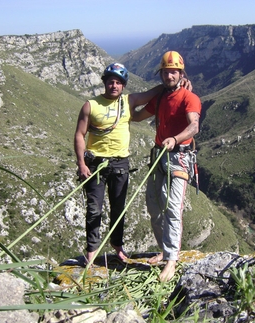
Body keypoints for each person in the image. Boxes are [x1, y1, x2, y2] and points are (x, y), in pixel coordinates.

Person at [74, 62, 191, 266]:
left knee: (119, 208)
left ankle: (117, 247)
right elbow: (79, 134)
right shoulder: (90, 105)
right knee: (94, 209)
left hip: (120, 164)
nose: (114, 86)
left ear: (123, 86)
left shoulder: (129, 101)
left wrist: (178, 82)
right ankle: (92, 251)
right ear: (104, 83)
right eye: (111, 81)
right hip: (95, 165)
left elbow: (153, 92)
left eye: (118, 83)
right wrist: (81, 163)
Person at [132, 51, 201, 282]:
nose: (169, 75)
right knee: (153, 206)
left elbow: (194, 127)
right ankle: (165, 250)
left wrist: (175, 139)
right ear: (161, 74)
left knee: (172, 207)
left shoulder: (189, 98)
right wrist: (126, 106)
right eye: (165, 71)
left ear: (181, 73)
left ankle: (171, 259)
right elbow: (138, 116)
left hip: (179, 157)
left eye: (173, 71)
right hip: (159, 157)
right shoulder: (160, 98)